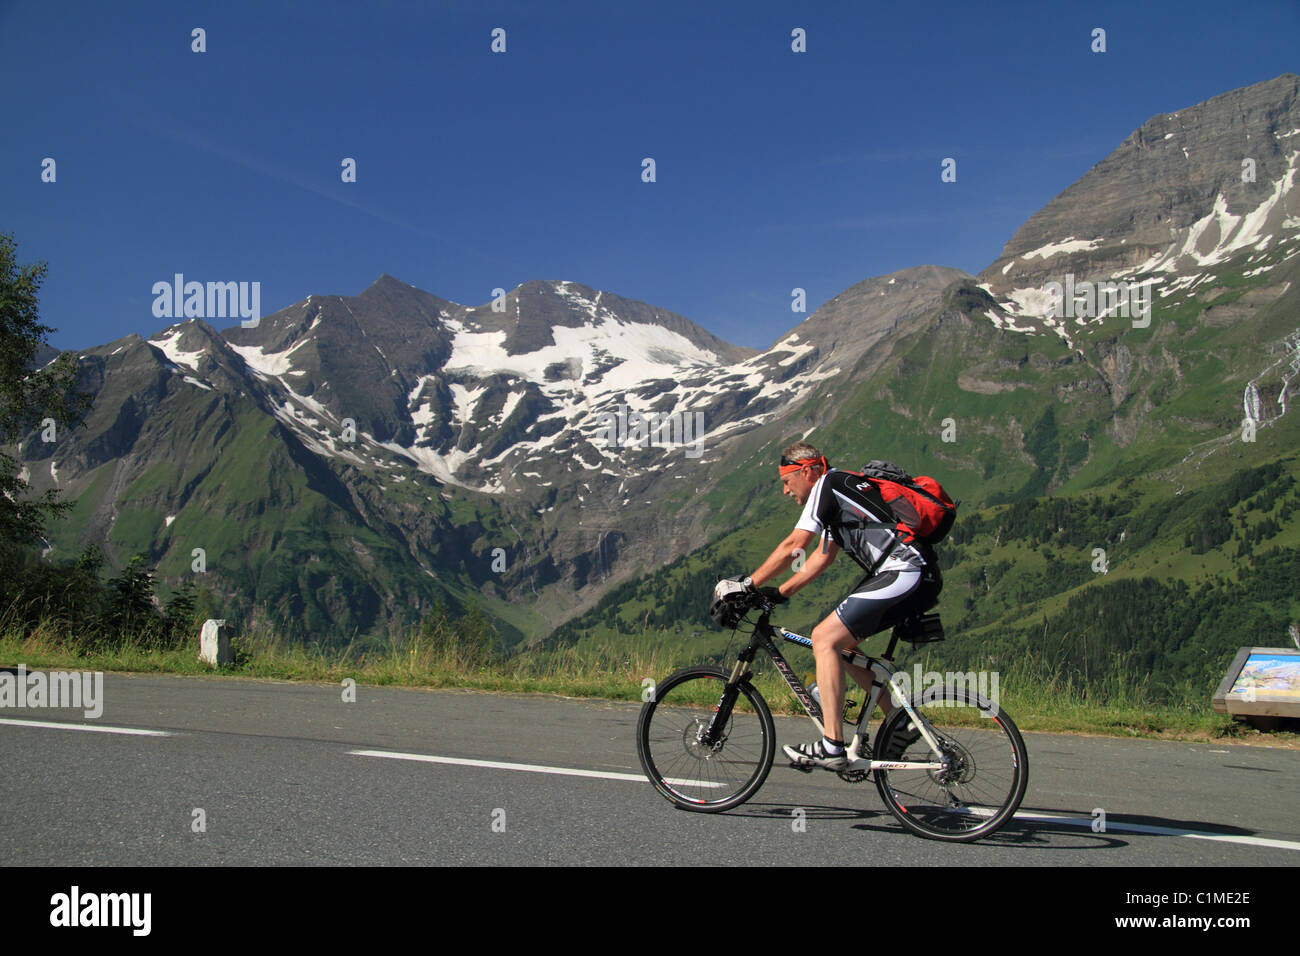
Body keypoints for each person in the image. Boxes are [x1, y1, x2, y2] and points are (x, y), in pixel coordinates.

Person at [740, 442, 941, 769]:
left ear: (806, 471)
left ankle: (832, 745)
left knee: (824, 638)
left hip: (904, 569)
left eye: (786, 481)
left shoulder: (828, 485)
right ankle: (898, 721)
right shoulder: (842, 490)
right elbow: (821, 557)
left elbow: (796, 544)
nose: (785, 491)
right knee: (843, 646)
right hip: (914, 574)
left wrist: (747, 584)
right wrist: (781, 592)